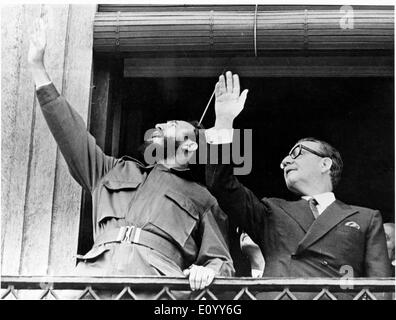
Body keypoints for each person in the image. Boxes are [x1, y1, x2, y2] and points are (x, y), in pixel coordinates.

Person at [28, 19, 234, 298]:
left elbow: (221, 262)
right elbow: (69, 131)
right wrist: (38, 67)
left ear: (190, 145)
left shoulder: (202, 198)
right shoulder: (111, 171)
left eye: (171, 124)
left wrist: (207, 270)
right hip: (91, 285)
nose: (159, 126)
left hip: (155, 291)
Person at [205, 71, 392, 299]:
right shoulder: (271, 211)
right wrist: (224, 121)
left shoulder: (366, 218)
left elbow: (380, 290)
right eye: (286, 157)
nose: (285, 161)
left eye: (297, 153)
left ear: (325, 163)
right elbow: (221, 183)